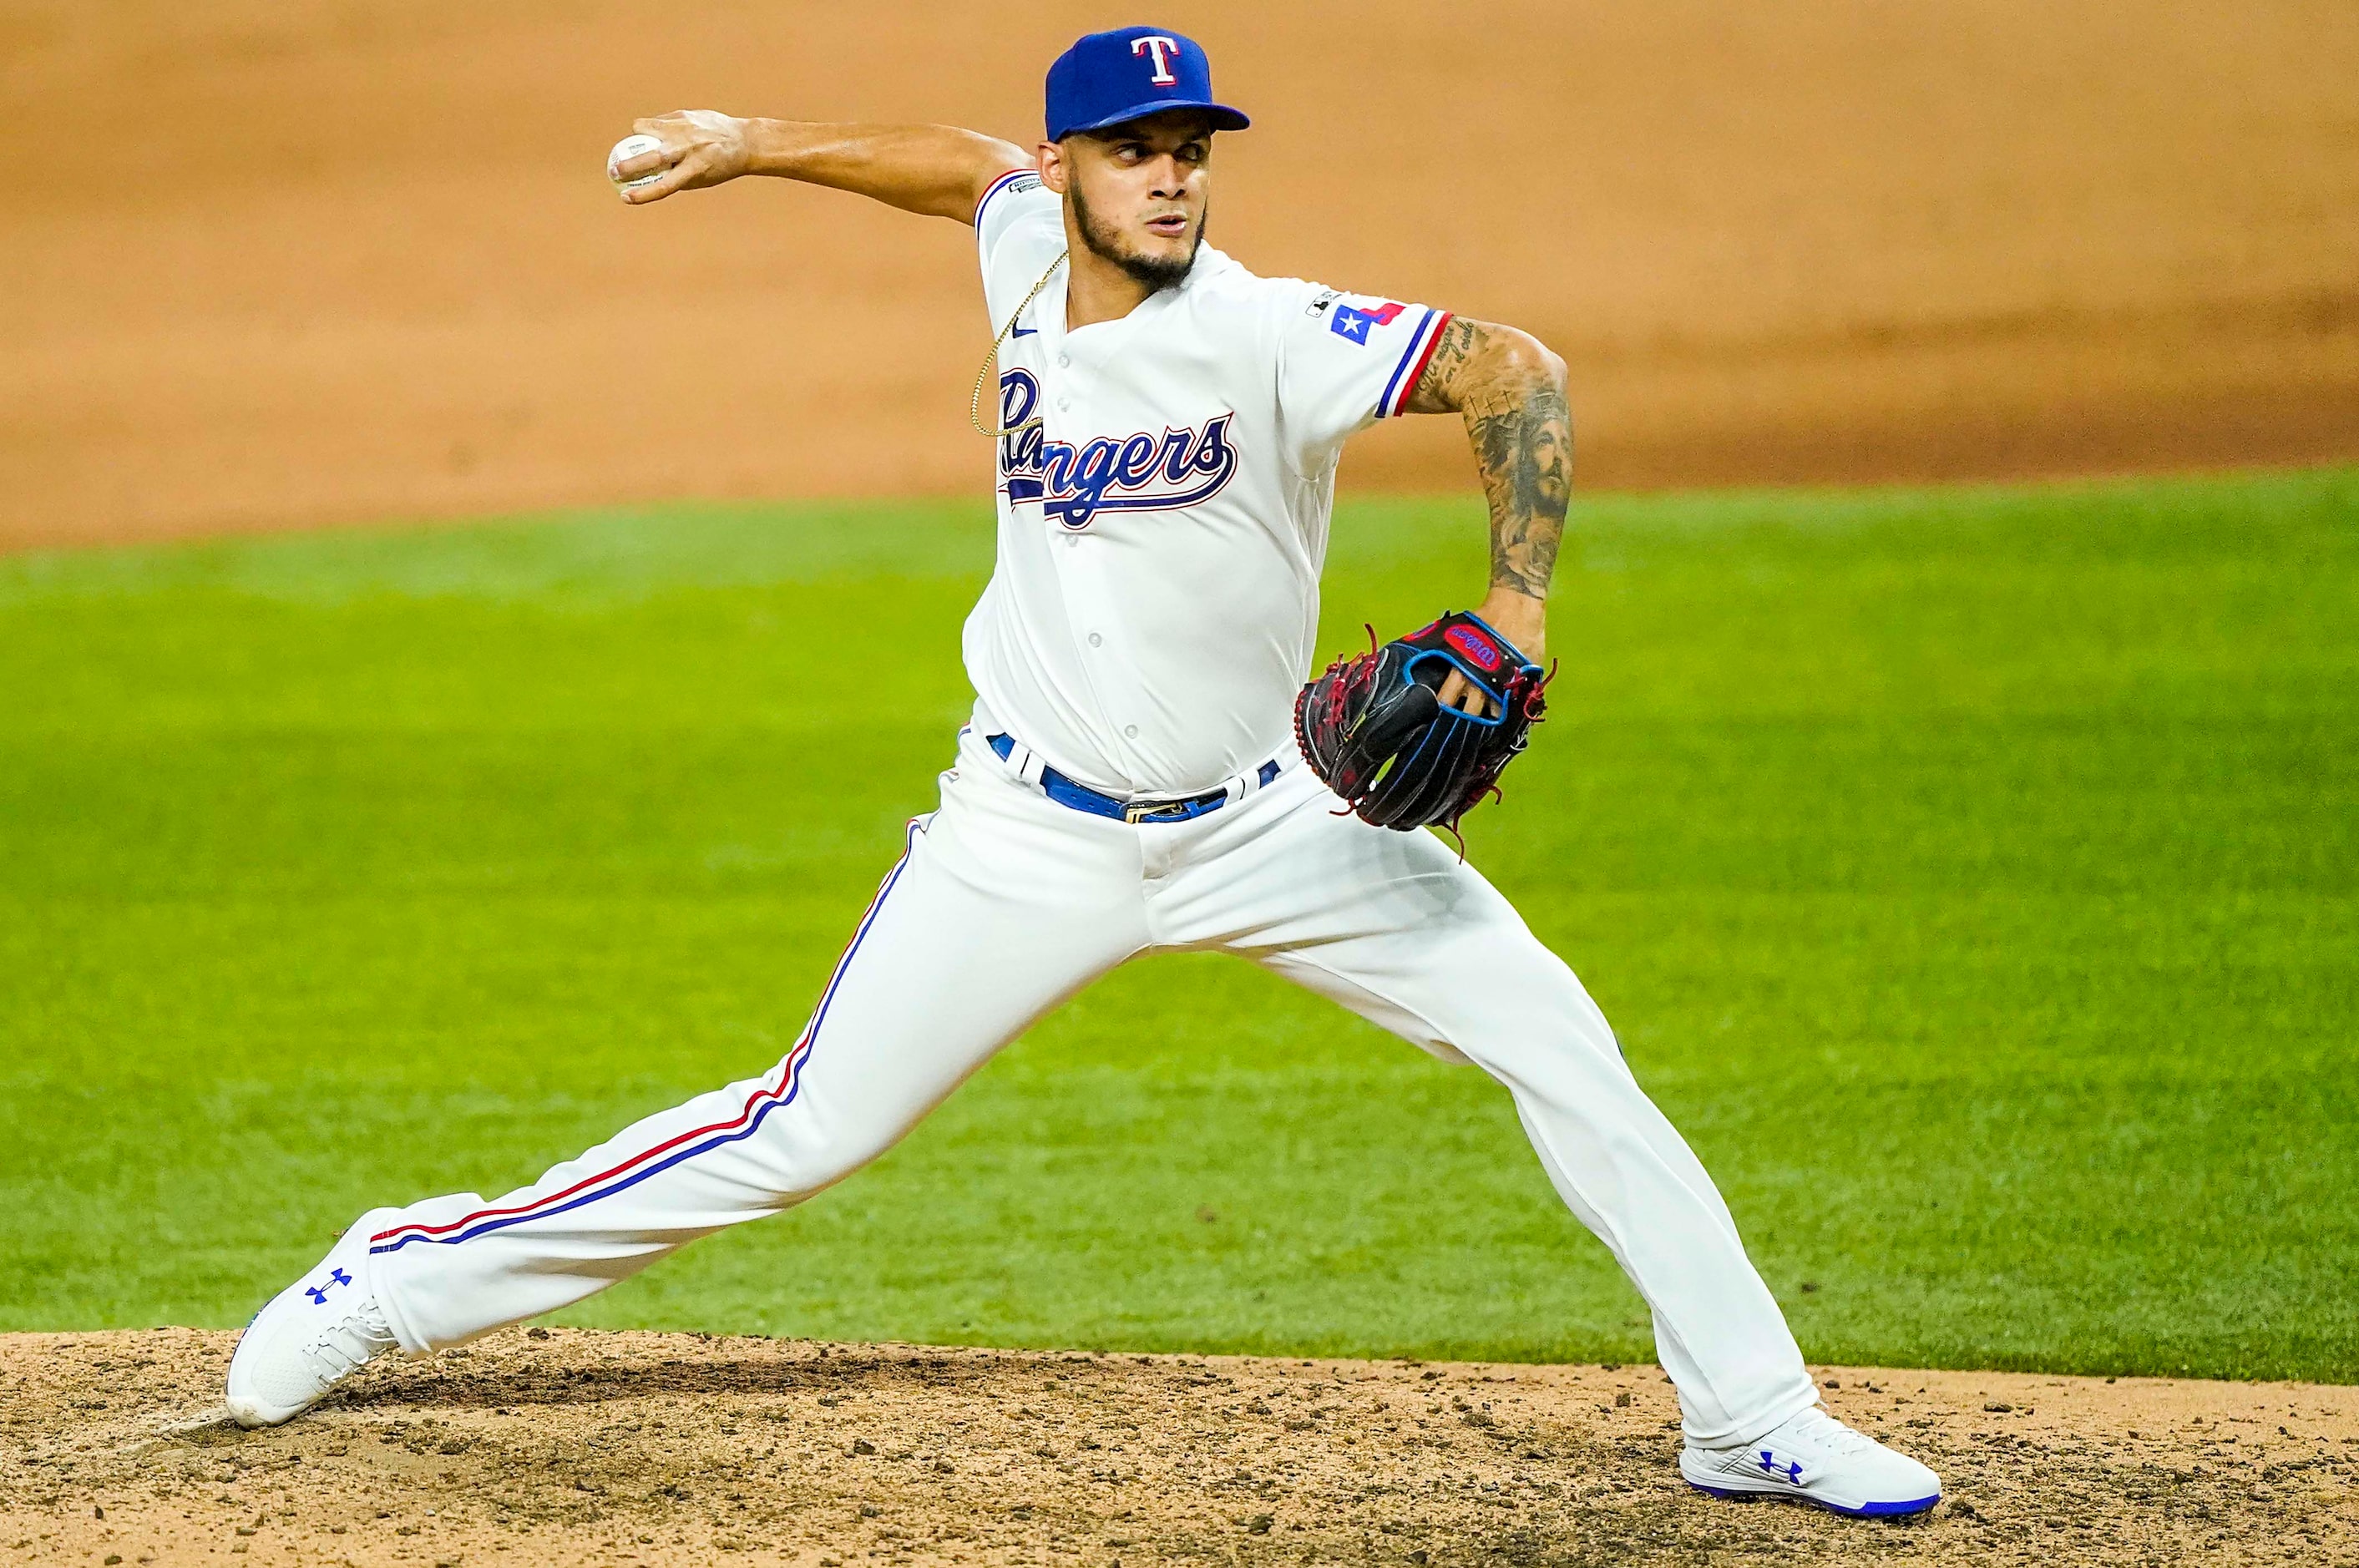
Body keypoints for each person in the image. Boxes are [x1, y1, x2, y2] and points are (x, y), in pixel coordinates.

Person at [225, 24, 1940, 1518]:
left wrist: (1522, 601)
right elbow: (956, 167)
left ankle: (1753, 1416)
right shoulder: (1023, 257)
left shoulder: (1278, 335)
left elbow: (1517, 372)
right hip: (1026, 835)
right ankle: (394, 1276)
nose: (1173, 180)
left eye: (1192, 152)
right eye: (1136, 153)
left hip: (1277, 826)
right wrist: (751, 145)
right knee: (797, 1131)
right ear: (1074, 175)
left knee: (1561, 1045)